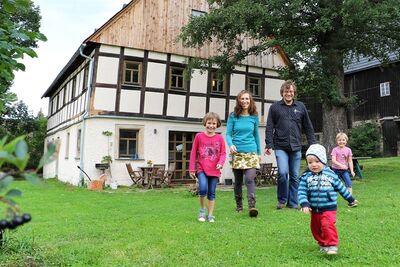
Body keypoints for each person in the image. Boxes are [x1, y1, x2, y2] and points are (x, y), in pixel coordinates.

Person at [298, 144, 358, 255]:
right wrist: (304, 203)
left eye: (317, 161)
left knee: (327, 224)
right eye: (310, 162)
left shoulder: (331, 175)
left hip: (329, 208)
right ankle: (323, 243)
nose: (313, 165)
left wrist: (350, 199)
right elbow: (301, 191)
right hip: (314, 209)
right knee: (316, 228)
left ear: (323, 161)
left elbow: (341, 188)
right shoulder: (306, 176)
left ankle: (331, 245)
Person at [264, 80, 316, 209]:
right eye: (286, 91)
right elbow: (270, 127)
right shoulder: (275, 107)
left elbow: (308, 126)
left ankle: (292, 203)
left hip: (296, 146)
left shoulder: (300, 107)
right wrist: (269, 144)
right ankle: (282, 200)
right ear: (282, 92)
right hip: (280, 146)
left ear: (294, 93)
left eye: (291, 91)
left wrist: (313, 144)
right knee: (282, 173)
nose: (289, 93)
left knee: (294, 176)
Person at [226, 90, 261, 217]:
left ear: (250, 100)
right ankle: (239, 205)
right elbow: (228, 134)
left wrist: (259, 153)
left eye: (247, 99)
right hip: (238, 152)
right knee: (239, 180)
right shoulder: (233, 116)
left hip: (251, 151)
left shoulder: (254, 117)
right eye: (242, 99)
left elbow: (256, 135)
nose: (245, 101)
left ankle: (252, 206)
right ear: (239, 101)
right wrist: (231, 145)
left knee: (250, 178)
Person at [189, 112, 226, 223]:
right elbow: (193, 153)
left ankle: (210, 215)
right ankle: (202, 211)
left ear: (217, 124)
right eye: (209, 123)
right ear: (205, 123)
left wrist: (221, 163)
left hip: (215, 170)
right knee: (203, 188)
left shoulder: (219, 138)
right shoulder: (199, 136)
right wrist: (191, 168)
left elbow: (223, 153)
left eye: (214, 123)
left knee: (212, 192)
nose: (211, 125)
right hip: (202, 169)